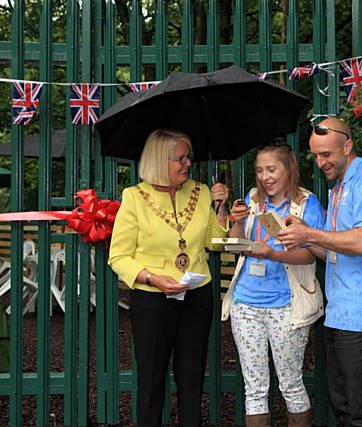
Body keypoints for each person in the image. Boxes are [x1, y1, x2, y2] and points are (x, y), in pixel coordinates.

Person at [278, 118, 362, 427]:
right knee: (346, 406)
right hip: (341, 313)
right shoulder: (340, 188)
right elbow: (334, 251)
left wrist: (311, 233)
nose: (320, 162)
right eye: (316, 156)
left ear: (347, 146)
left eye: (326, 154)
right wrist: (303, 237)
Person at [108, 128, 229, 427]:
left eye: (190, 156)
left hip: (197, 295)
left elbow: (214, 243)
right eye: (181, 158)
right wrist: (153, 279)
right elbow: (119, 256)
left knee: (191, 377)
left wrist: (220, 208)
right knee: (151, 380)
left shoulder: (201, 192)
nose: (188, 163)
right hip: (152, 299)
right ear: (160, 160)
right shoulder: (134, 198)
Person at [221, 141, 326, 427]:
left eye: (271, 169)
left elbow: (311, 255)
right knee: (253, 388)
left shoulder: (306, 204)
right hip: (246, 303)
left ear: (288, 168)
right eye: (259, 171)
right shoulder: (253, 199)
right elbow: (236, 245)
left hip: (287, 306)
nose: (265, 177)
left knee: (291, 384)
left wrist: (272, 253)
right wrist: (237, 222)